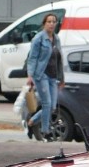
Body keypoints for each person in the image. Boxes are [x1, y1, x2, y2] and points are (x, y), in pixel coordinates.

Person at [26, 13, 64, 142]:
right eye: (49, 21)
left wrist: (62, 79)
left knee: (52, 107)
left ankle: (31, 122)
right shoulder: (39, 38)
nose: (52, 24)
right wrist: (30, 76)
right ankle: (45, 131)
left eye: (54, 21)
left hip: (53, 76)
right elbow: (32, 58)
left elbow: (59, 59)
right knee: (47, 103)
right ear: (44, 23)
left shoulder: (57, 39)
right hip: (41, 75)